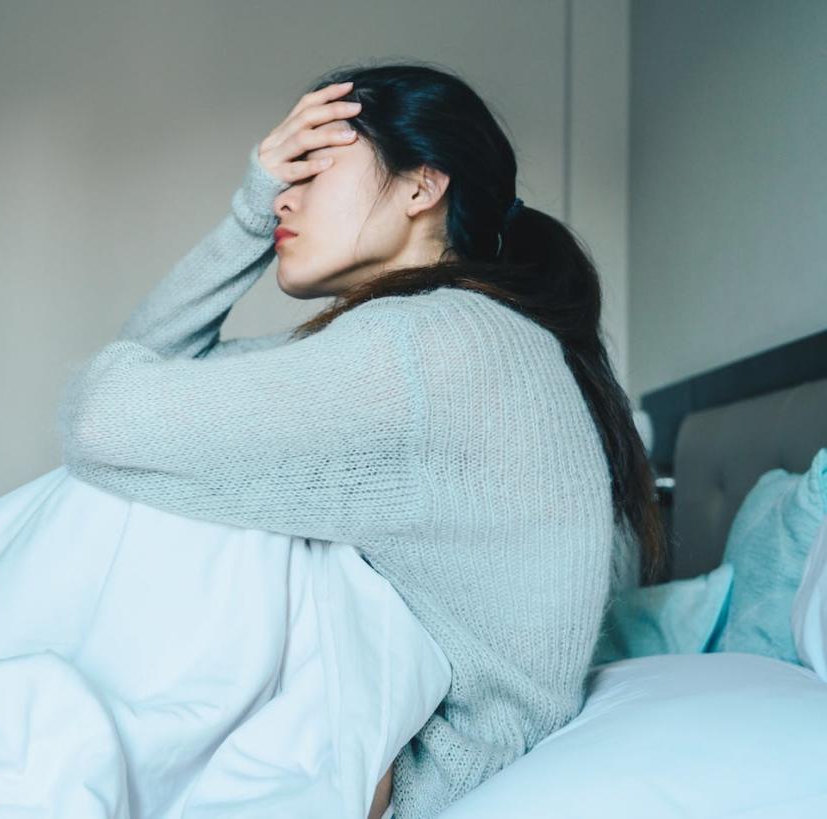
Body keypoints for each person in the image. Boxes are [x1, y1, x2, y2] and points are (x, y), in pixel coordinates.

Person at [56, 60, 666, 818]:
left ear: (420, 186)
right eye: (281, 180)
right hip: (403, 756)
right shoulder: (440, 333)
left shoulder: (434, 344)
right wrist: (250, 214)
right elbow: (154, 375)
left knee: (120, 507)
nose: (281, 194)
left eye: (312, 170)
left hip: (411, 776)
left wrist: (246, 222)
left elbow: (101, 420)